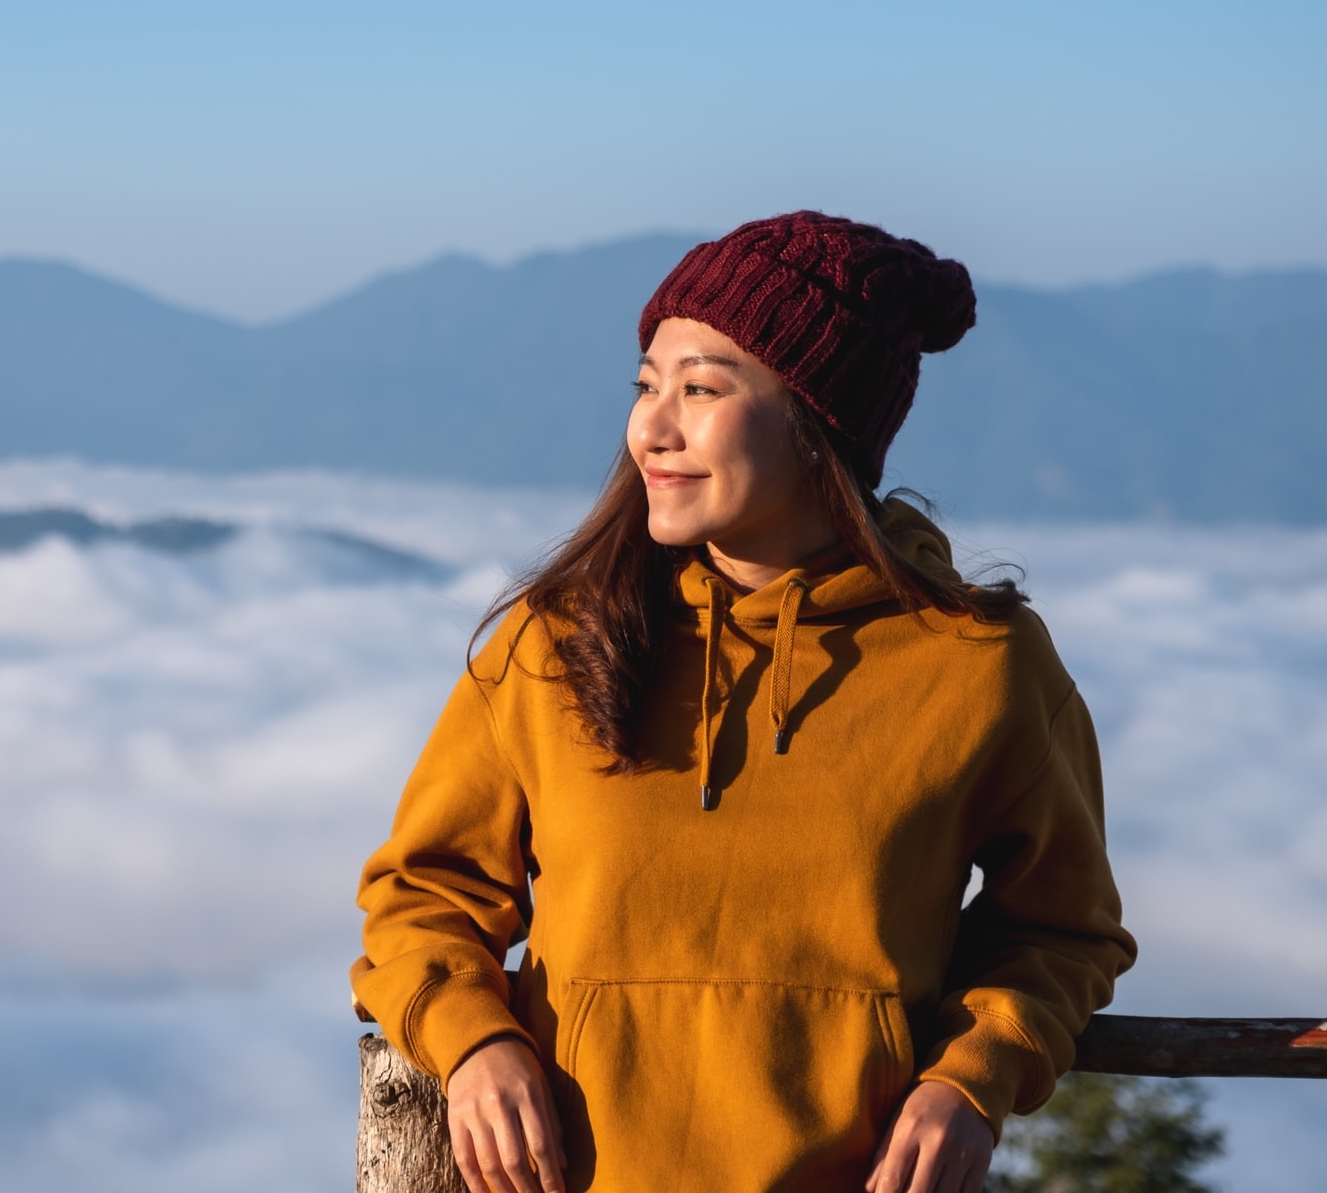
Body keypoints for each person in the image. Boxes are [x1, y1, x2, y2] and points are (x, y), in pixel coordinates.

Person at [349, 211, 1137, 1193]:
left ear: (819, 422)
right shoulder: (560, 638)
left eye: (701, 388)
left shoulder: (979, 663)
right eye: (647, 384)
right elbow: (421, 893)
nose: (653, 426)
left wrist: (970, 1080)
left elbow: (1062, 928)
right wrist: (470, 1040)